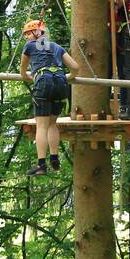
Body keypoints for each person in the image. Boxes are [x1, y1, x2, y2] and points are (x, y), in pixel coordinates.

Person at [20, 19, 80, 176]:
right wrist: (67, 77)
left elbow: (23, 71)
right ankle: (54, 159)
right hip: (61, 83)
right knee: (52, 124)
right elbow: (75, 67)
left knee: (41, 126)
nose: (26, 38)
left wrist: (32, 77)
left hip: (43, 82)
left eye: (27, 34)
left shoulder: (30, 46)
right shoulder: (56, 47)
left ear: (36, 33)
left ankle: (41, 165)